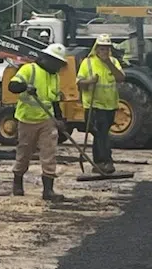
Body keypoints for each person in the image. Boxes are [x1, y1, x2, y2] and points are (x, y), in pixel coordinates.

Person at [8, 43, 70, 202]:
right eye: (57, 63)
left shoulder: (54, 76)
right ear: (48, 59)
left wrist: (59, 119)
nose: (58, 67)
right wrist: (25, 86)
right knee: (24, 152)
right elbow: (12, 86)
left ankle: (48, 190)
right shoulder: (29, 69)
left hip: (46, 120)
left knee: (49, 153)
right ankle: (17, 183)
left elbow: (55, 100)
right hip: (27, 118)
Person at [76, 33, 125, 175]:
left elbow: (121, 78)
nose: (105, 51)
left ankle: (98, 163)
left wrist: (109, 63)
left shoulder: (114, 62)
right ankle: (105, 161)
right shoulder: (88, 63)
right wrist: (89, 81)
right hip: (93, 105)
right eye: (102, 48)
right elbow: (79, 82)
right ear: (96, 49)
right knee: (100, 133)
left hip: (110, 104)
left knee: (102, 133)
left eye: (107, 48)